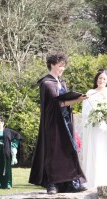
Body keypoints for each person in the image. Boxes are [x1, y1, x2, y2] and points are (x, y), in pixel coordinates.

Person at [29, 52, 88, 194]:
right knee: (54, 153)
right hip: (53, 123)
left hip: (66, 121)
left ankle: (71, 184)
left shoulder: (62, 82)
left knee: (69, 150)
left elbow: (64, 102)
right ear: (52, 65)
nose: (62, 69)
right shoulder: (46, 83)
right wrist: (78, 99)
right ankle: (52, 184)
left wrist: (75, 99)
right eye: (60, 66)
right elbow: (58, 103)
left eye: (64, 66)